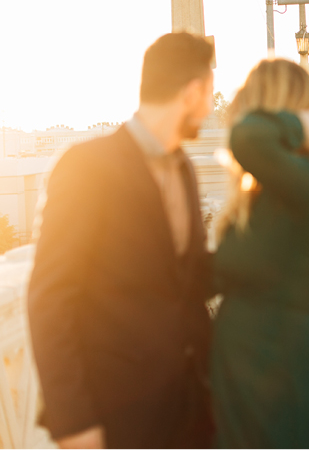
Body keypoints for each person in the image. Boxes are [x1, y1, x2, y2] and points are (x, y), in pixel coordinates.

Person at [27, 33, 216, 448]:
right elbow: (49, 298)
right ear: (192, 92)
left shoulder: (182, 167)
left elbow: (189, 272)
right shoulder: (86, 167)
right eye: (210, 94)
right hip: (123, 418)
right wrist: (74, 423)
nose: (210, 107)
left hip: (195, 412)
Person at [212, 59, 309, 448]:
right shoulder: (264, 193)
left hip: (286, 386)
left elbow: (247, 138)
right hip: (247, 383)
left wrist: (292, 122)